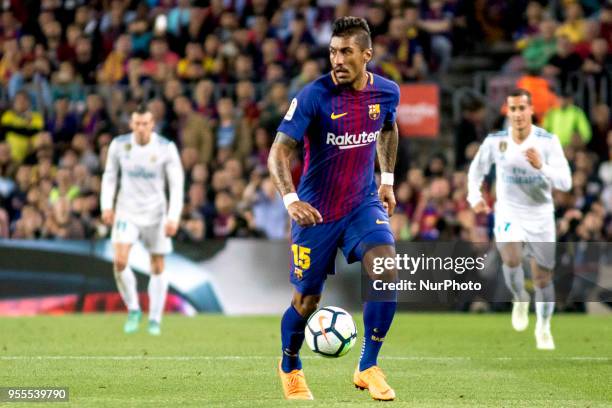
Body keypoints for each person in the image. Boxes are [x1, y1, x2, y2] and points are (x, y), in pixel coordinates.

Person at [268, 17, 400, 401]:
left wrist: (387, 179)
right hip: (316, 211)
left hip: (362, 204)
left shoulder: (387, 93)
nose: (336, 59)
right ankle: (290, 363)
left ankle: (367, 366)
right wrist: (291, 199)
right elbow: (279, 150)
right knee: (307, 300)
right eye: (332, 51)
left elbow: (388, 127)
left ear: (366, 55)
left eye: (345, 52)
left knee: (386, 266)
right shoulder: (313, 96)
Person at [467, 89, 572, 350]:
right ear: (508, 112)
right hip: (509, 211)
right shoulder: (496, 141)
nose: (517, 114)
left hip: (540, 215)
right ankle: (519, 298)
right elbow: (476, 170)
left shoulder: (548, 142)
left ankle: (544, 328)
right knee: (511, 259)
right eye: (512, 109)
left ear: (531, 110)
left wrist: (542, 167)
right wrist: (474, 197)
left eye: (522, 108)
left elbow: (566, 182)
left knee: (542, 278)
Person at [100, 104, 184, 336]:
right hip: (126, 211)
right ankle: (134, 309)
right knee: (119, 260)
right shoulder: (119, 146)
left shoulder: (166, 148)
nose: (141, 128)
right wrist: (106, 206)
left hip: (156, 213)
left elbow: (176, 185)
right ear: (131, 124)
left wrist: (173, 217)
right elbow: (109, 177)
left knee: (157, 265)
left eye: (145, 123)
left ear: (152, 124)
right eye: (137, 123)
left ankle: (155, 319)